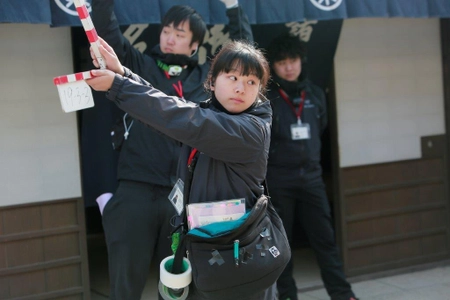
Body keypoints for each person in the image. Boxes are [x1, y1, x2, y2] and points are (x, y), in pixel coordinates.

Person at [86, 38, 273, 299]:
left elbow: (183, 118)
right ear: (213, 80)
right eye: (232, 77)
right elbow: (174, 109)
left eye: (251, 82)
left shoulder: (252, 128)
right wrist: (123, 73)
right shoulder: (209, 115)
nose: (241, 88)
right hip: (201, 248)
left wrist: (119, 86)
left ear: (260, 90)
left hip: (238, 258)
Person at [265, 33, 359, 300]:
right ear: (273, 66)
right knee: (282, 246)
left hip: (312, 180)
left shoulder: (316, 94)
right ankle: (287, 295)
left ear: (301, 61)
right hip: (279, 181)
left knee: (326, 241)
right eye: (282, 62)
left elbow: (322, 128)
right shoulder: (268, 99)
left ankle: (343, 294)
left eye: (293, 60)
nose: (288, 67)